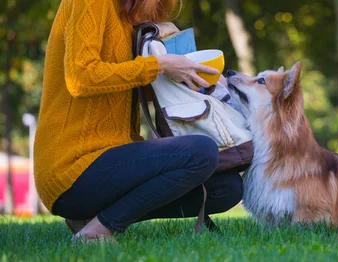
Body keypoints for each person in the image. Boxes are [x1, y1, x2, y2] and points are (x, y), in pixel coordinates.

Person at [33, 0, 242, 242]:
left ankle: (92, 216)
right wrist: (159, 65)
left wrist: (177, 66)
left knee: (226, 188)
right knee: (201, 151)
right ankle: (99, 229)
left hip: (111, 159)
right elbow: (81, 78)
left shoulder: (128, 18)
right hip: (72, 167)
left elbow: (131, 84)